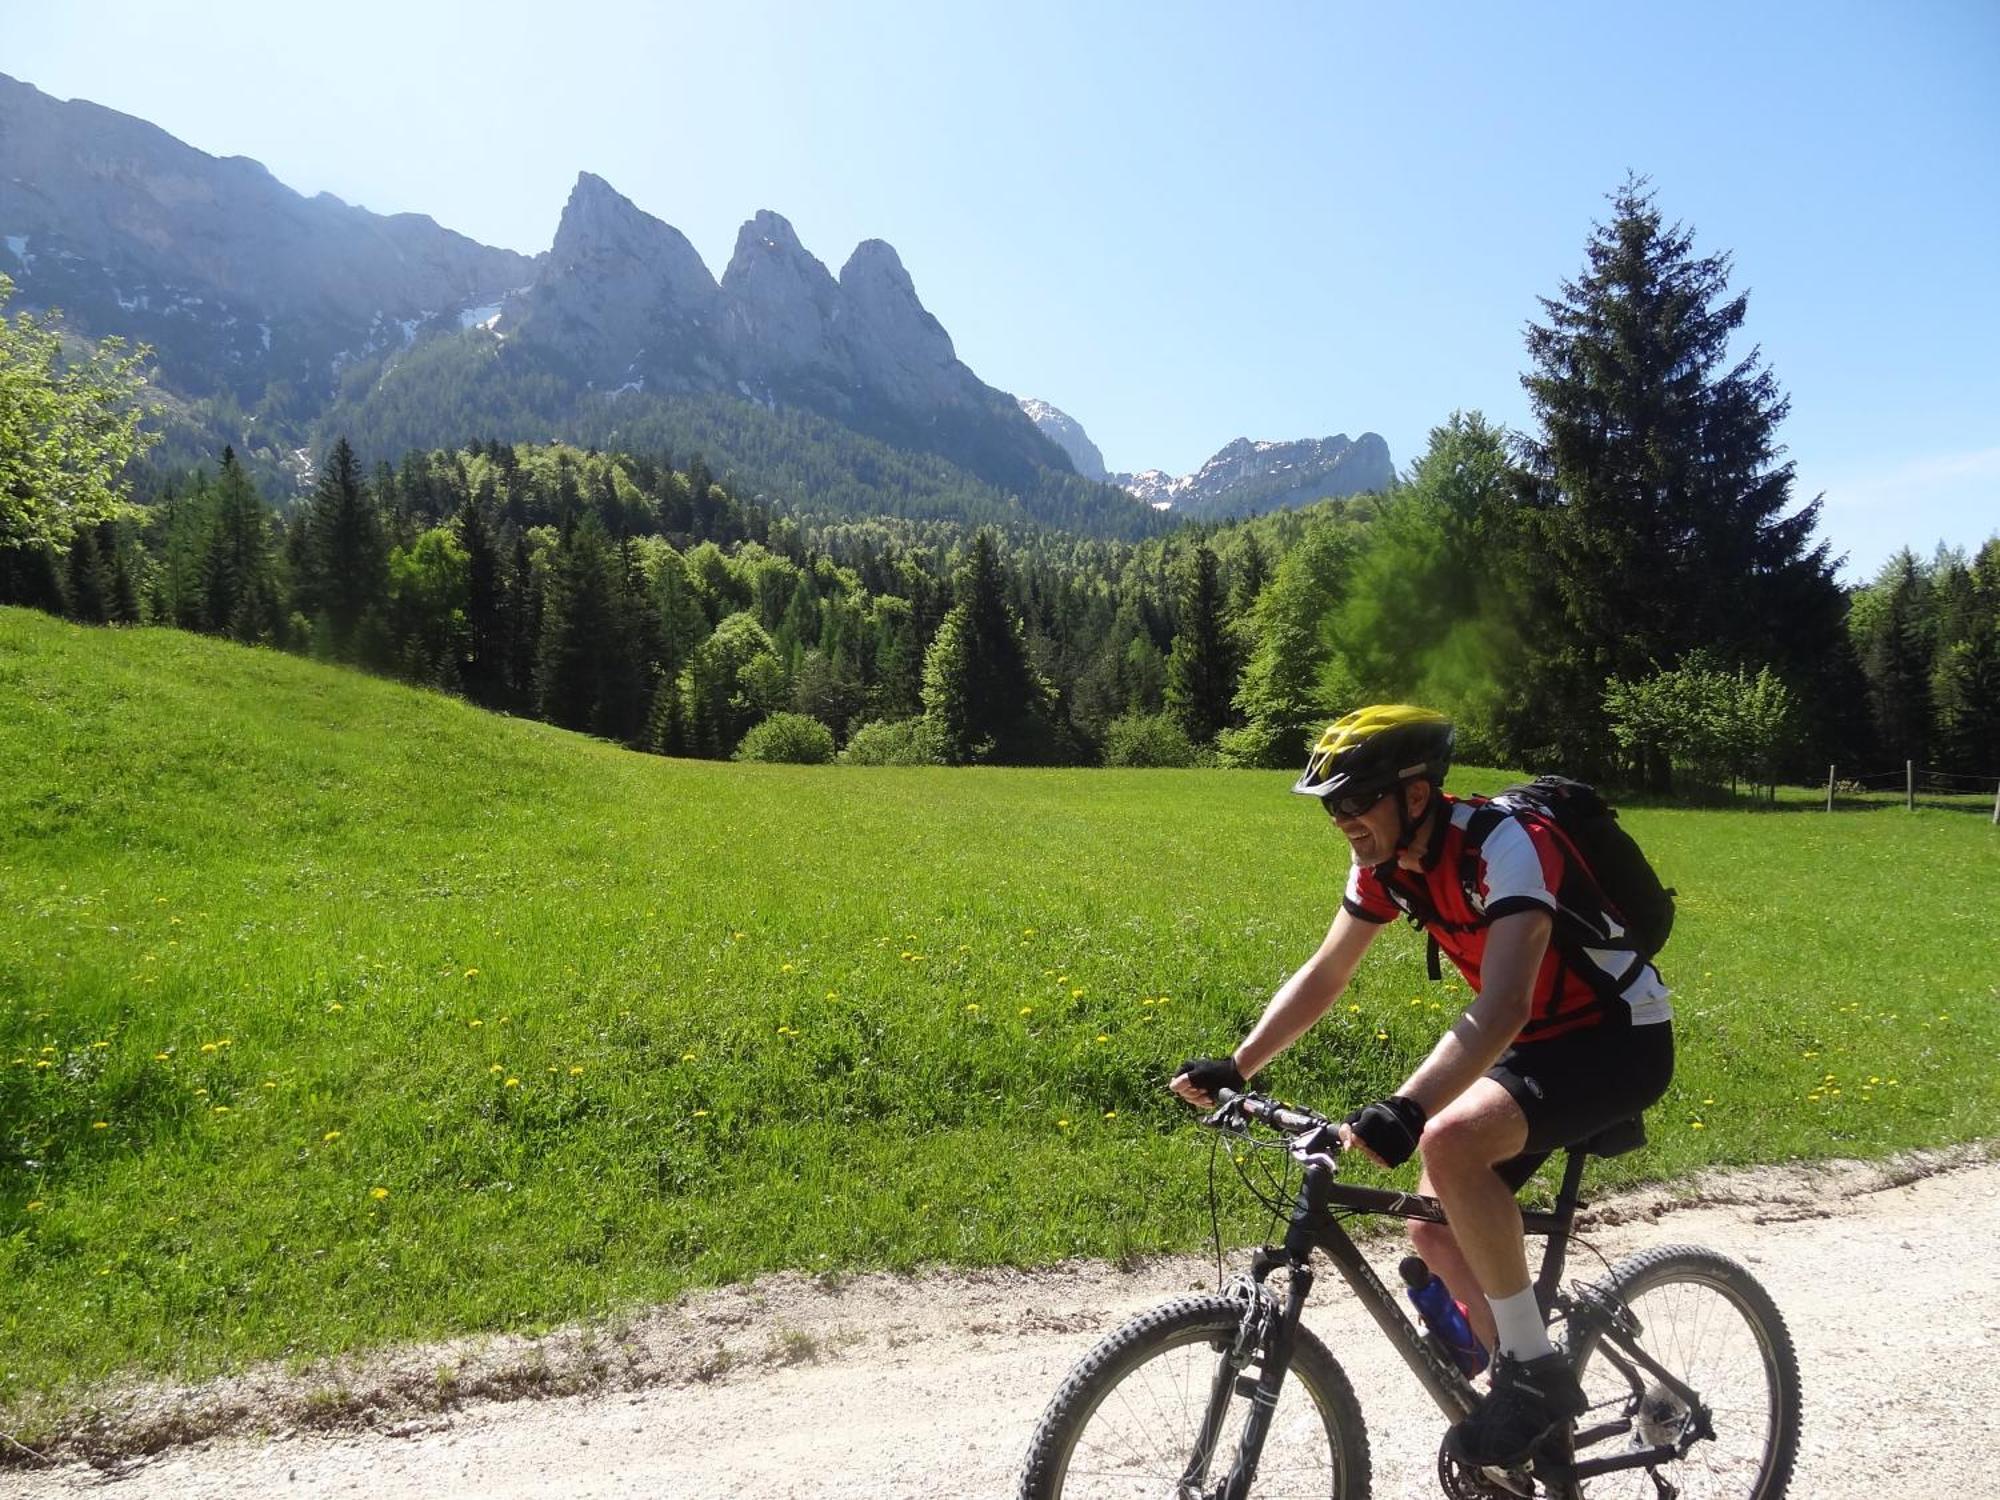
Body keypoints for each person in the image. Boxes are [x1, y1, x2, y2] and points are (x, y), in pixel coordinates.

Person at [1171, 704, 1674, 1469]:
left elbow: (1504, 1003)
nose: (1340, 818)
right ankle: (1525, 1387)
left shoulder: (1508, 845)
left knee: (1450, 1142)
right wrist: (1240, 1065)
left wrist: (1410, 1106)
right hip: (1536, 1043)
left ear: (1415, 794)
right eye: (1330, 804)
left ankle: (1534, 1377)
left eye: (1353, 798)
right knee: (1434, 1227)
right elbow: (1328, 971)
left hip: (1616, 1036)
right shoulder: (1384, 864)